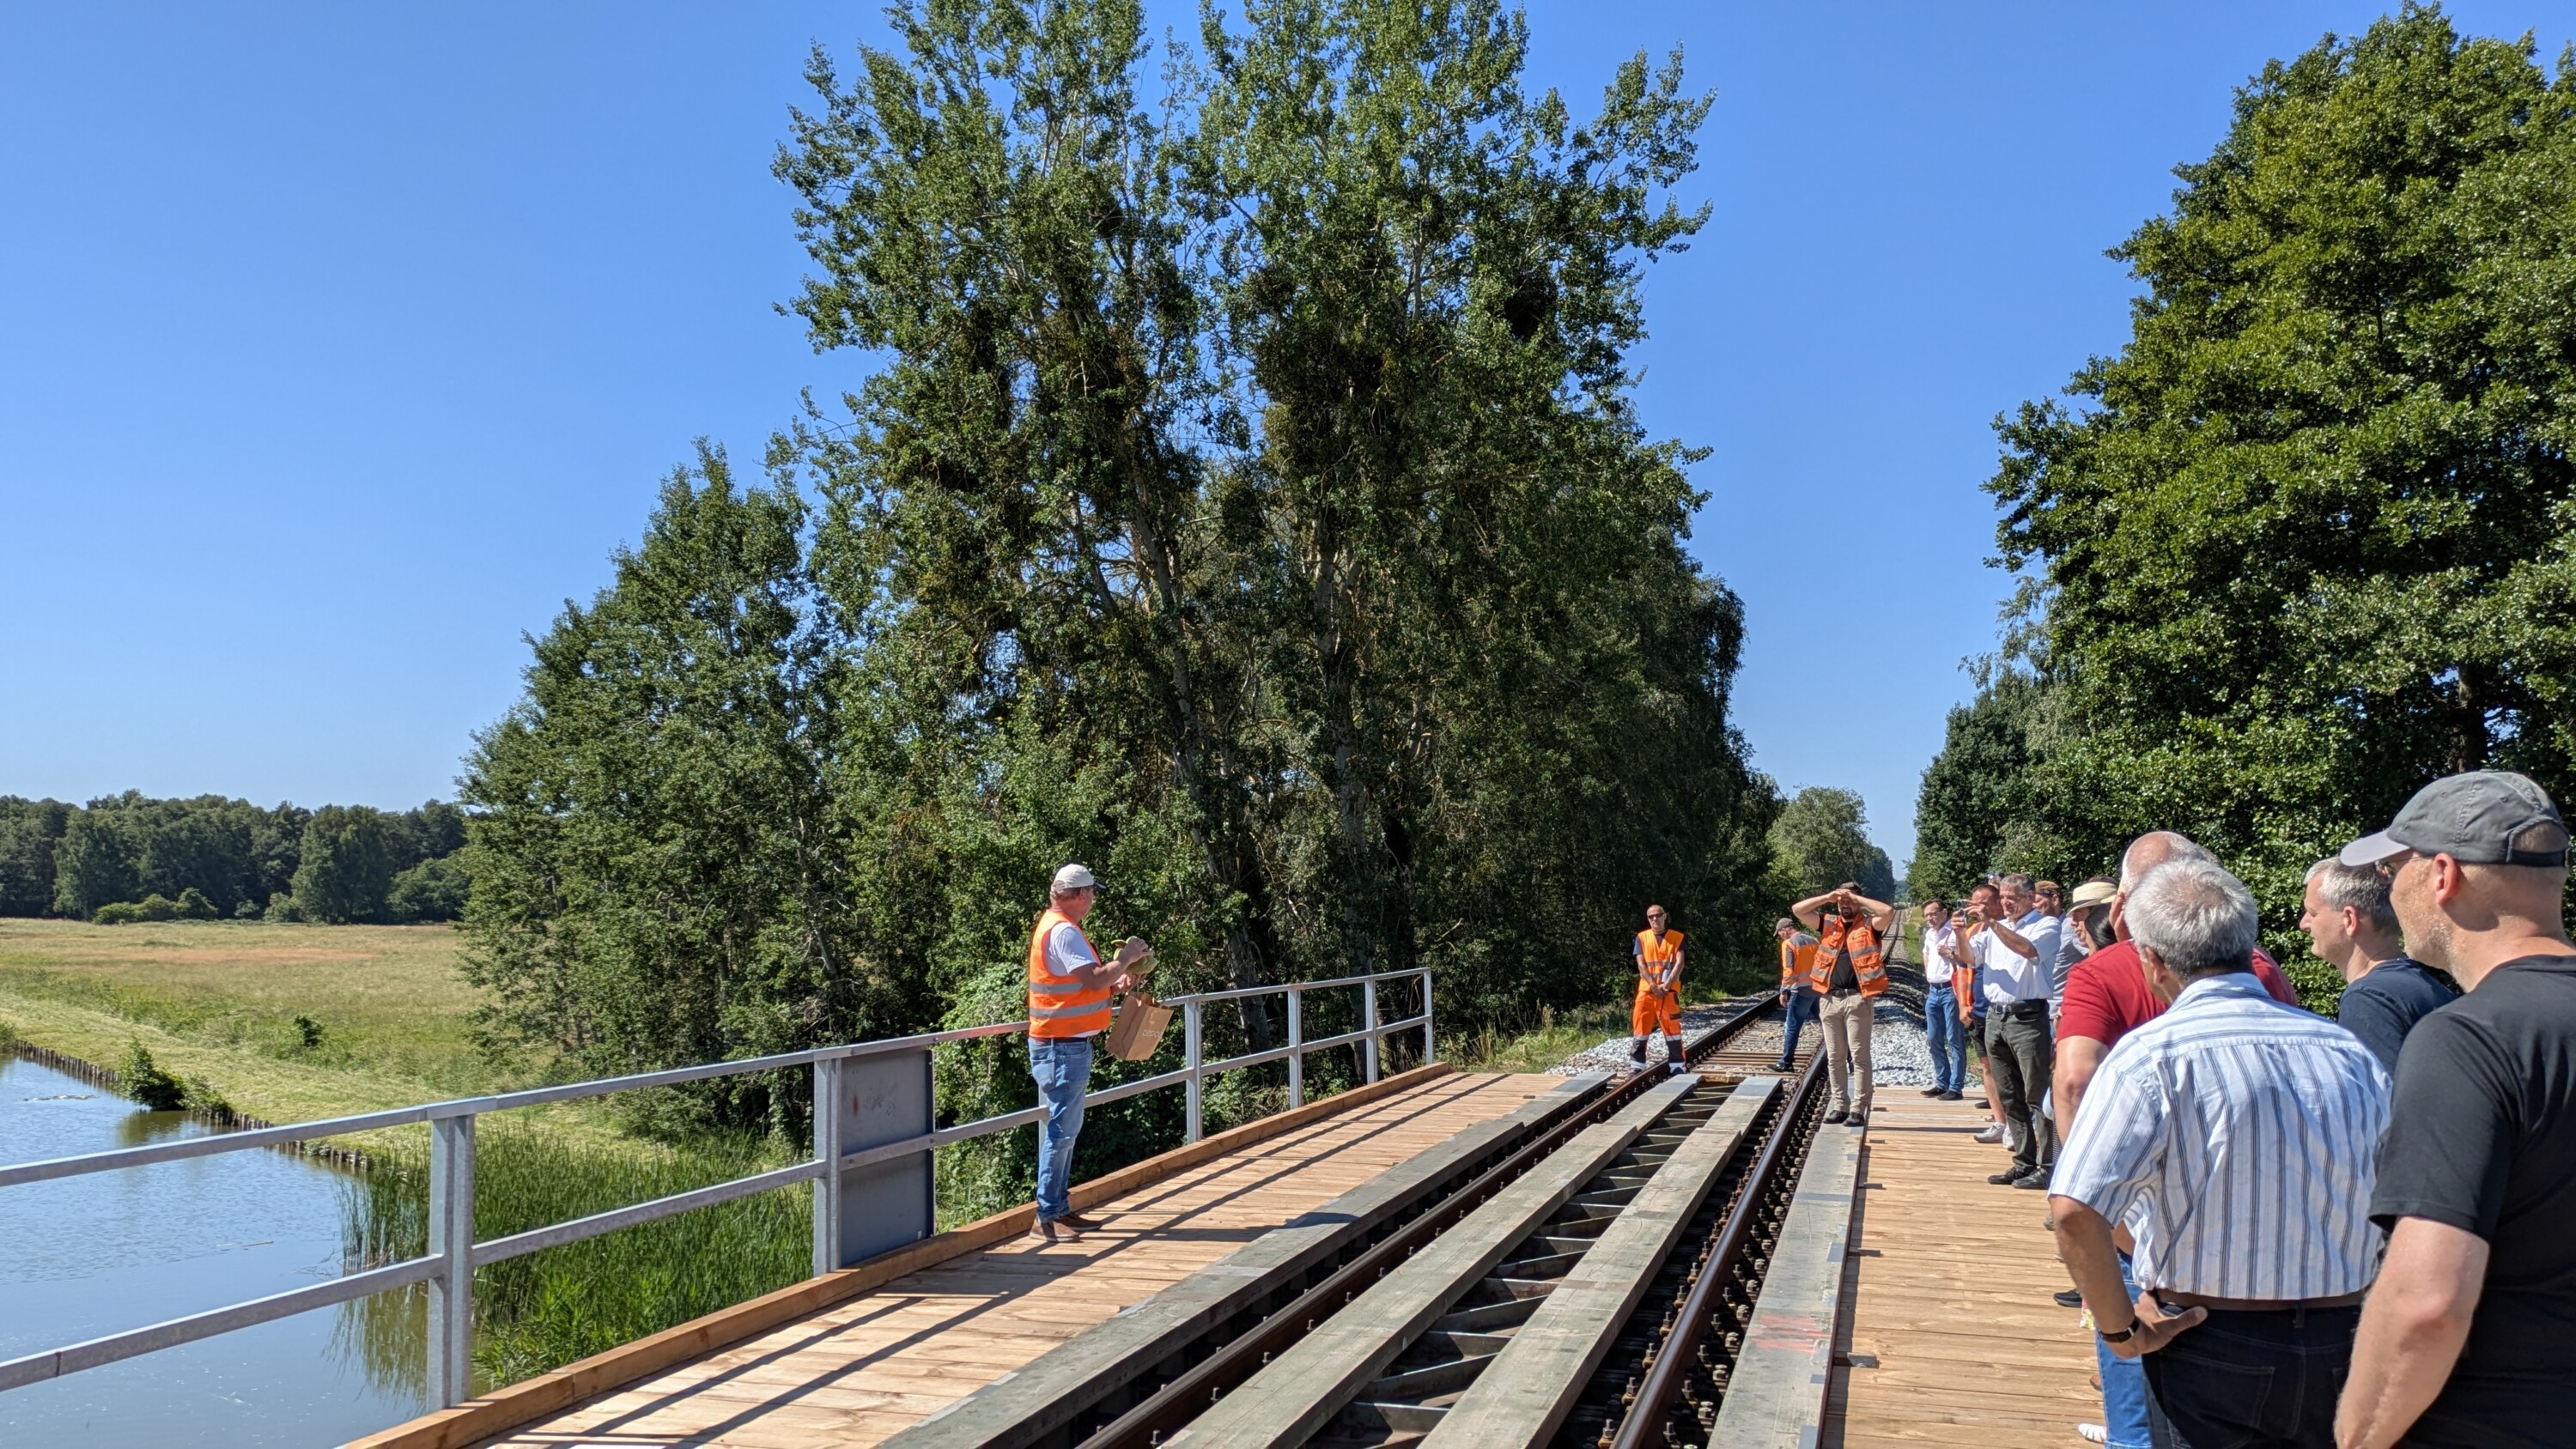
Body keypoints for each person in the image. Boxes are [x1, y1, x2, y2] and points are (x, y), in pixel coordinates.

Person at [2051, 856, 2390, 1449]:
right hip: (2349, 1333)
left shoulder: (2149, 1057)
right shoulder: (2345, 1049)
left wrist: (2122, 1330)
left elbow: (2076, 1210)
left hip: (2208, 1337)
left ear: (2152, 960)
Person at [2334, 772, 2576, 1448]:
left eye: (2392, 868)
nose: (2390, 888)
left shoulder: (2468, 1039)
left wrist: (2358, 1434)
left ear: (2442, 875)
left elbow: (2427, 1303)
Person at [1024, 864, 1148, 1244]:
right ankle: (1047, 1216)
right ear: (1079, 894)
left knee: (1067, 1130)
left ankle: (1059, 1210)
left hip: (1065, 1044)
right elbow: (1094, 977)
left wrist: (1116, 981)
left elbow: (1087, 984)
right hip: (1061, 1046)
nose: (1093, 898)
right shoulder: (1063, 931)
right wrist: (1125, 958)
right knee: (1061, 1132)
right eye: (1092, 892)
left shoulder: (1059, 927)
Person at [2295, 856, 2456, 1076]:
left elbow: (2381, 1103)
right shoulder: (2421, 986)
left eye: (2313, 913)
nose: (2303, 924)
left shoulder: (2369, 999)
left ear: (2349, 919)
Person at [1960, 873, 2059, 1188]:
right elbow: (1969, 959)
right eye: (2002, 897)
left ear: (2030, 897)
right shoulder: (1993, 930)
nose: (2006, 902)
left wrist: (1991, 923)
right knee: (2009, 1094)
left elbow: (2028, 950)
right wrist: (1961, 933)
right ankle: (2023, 1161)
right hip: (1996, 1016)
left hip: (2028, 1018)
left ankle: (2047, 1165)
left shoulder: (2046, 925)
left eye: (2012, 897)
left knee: (2036, 1094)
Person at [1790, 882, 1896, 1127]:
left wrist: (1857, 898)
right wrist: (1828, 896)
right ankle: (1840, 1105)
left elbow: (1888, 912)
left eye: (1849, 902)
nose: (1845, 905)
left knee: (1859, 1056)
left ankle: (1858, 1108)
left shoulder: (1870, 925)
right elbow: (1798, 910)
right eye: (1841, 902)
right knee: (1835, 1056)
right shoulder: (1828, 923)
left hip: (1858, 998)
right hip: (1829, 998)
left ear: (1858, 902)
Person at [1629, 906, 1687, 1076]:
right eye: (1651, 917)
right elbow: (1641, 964)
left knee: (1673, 1031)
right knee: (1640, 1030)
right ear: (1648, 919)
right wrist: (1654, 986)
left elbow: (1680, 963)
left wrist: (1667, 985)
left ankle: (1677, 1066)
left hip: (1668, 993)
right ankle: (1636, 1066)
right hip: (1647, 992)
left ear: (1665, 916)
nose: (1655, 919)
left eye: (1658, 915)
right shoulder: (1642, 938)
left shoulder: (1677, 937)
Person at [1918, 899, 1966, 1101]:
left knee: (1954, 1038)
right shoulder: (1929, 934)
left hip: (1950, 990)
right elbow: (1926, 954)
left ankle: (1955, 1086)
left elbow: (1967, 958)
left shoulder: (1954, 933)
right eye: (1927, 914)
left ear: (1944, 913)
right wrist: (1929, 974)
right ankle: (1941, 1082)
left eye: (1933, 913)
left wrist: (1951, 954)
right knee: (1933, 1037)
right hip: (1934, 990)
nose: (1930, 917)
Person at [1771, 916, 1818, 1072]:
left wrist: (1784, 990)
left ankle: (1786, 1062)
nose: (1780, 936)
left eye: (1779, 933)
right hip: (1818, 989)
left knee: (1792, 1027)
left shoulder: (1789, 944)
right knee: (1830, 1024)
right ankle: (1850, 1059)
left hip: (1801, 990)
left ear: (1784, 930)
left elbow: (1789, 970)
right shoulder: (1813, 940)